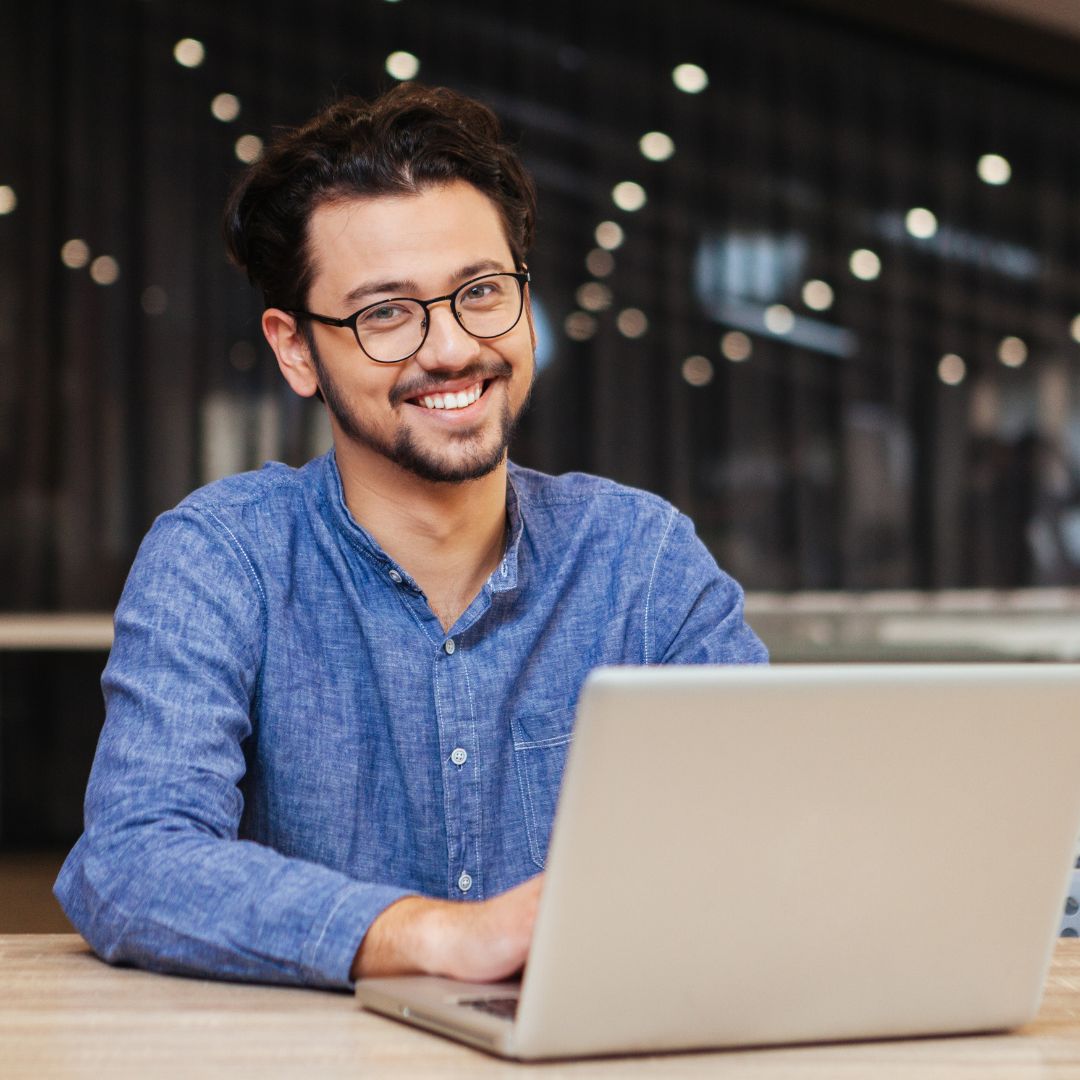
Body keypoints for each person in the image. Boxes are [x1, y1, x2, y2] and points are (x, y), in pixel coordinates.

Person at [54, 84, 767, 989]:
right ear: (296, 349)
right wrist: (430, 937)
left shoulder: (639, 557)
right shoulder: (221, 558)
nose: (451, 348)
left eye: (481, 291)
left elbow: (765, 832)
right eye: (386, 312)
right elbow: (131, 864)